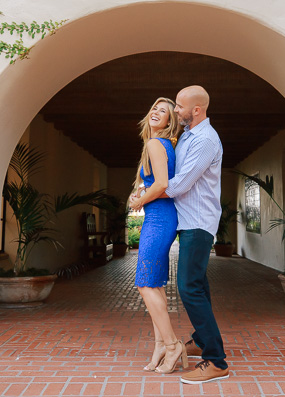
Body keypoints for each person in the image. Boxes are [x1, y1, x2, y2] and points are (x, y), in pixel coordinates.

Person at [134, 85, 230, 384]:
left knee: (188, 287)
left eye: (178, 106)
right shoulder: (187, 135)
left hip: (198, 221)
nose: (176, 111)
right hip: (185, 219)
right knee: (197, 283)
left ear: (196, 110)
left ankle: (216, 361)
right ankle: (201, 339)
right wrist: (152, 191)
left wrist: (146, 196)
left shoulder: (204, 140)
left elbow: (180, 183)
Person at [128, 97, 187, 374]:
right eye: (154, 108)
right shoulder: (159, 146)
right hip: (160, 216)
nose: (156, 112)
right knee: (156, 285)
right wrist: (139, 192)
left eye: (163, 111)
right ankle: (160, 346)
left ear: (169, 122)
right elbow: (154, 183)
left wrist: (139, 201)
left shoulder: (155, 143)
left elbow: (163, 184)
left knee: (144, 283)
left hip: (160, 217)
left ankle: (173, 344)